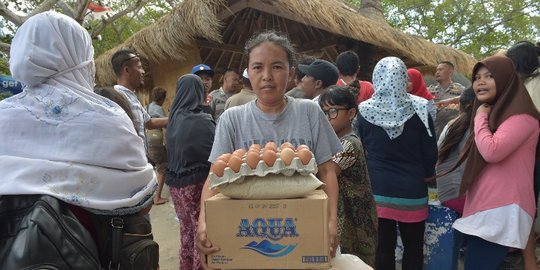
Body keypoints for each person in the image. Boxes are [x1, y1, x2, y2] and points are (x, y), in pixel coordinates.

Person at [196, 30, 343, 268]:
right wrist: (204, 222)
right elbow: (216, 176)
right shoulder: (232, 119)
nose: (267, 76)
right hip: (247, 231)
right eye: (257, 68)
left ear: (292, 72)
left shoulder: (309, 112)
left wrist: (331, 220)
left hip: (302, 226)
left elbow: (328, 171)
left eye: (276, 67)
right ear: (248, 72)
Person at [0, 11, 156, 214]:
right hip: (93, 244)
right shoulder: (109, 118)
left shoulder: (4, 115)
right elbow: (142, 199)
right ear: (79, 56)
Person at [451, 55, 540, 269]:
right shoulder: (496, 115)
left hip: (501, 209)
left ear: (505, 79)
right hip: (487, 207)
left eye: (489, 76)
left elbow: (492, 151)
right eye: (477, 77)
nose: (480, 82)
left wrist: (479, 118)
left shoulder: (522, 118)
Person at [355, 57, 437, 270]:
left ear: (377, 77)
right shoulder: (420, 108)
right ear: (403, 77)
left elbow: (359, 148)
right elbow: (430, 152)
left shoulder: (364, 111)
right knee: (413, 247)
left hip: (378, 190)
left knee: (383, 248)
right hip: (412, 190)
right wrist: (428, 174)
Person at [318, 86, 378, 267]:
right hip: (347, 215)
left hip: (354, 219)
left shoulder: (349, 144)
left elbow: (327, 172)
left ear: (351, 113)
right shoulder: (335, 141)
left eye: (334, 111)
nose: (328, 117)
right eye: (324, 112)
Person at [166, 74, 215, 270]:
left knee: (186, 231)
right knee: (201, 234)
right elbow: (216, 153)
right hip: (196, 186)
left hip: (176, 186)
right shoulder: (201, 121)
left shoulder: (174, 118)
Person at [507, 41, 540, 270]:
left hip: (532, 156)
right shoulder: (525, 83)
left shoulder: (531, 84)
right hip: (531, 155)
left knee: (527, 207)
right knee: (528, 207)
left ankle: (529, 261)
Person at [111, 49, 168, 153]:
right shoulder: (116, 98)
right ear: (127, 70)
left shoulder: (132, 97)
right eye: (139, 67)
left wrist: (176, 118)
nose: (143, 72)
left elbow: (149, 122)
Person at [147, 87, 169, 205]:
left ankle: (151, 195)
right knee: (162, 169)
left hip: (148, 142)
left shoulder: (147, 107)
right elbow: (164, 127)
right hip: (157, 142)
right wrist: (166, 144)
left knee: (153, 168)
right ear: (162, 99)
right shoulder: (159, 109)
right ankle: (157, 197)